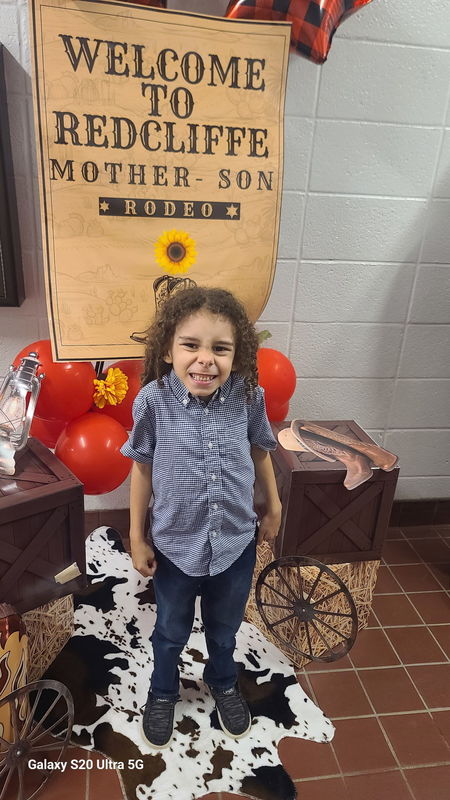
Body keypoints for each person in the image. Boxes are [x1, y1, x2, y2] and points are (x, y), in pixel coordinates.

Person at [121, 286, 282, 749]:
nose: (205, 359)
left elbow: (261, 452)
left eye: (220, 348)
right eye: (191, 345)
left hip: (234, 542)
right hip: (175, 545)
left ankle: (223, 680)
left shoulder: (248, 397)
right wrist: (137, 537)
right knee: (170, 630)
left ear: (237, 354)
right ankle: (163, 690)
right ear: (167, 349)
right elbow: (141, 467)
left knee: (224, 629)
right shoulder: (153, 401)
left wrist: (273, 506)